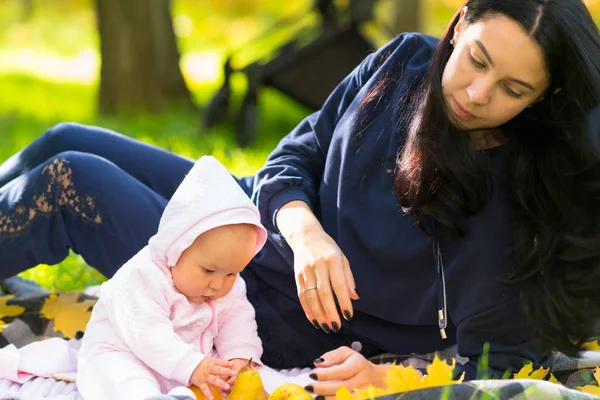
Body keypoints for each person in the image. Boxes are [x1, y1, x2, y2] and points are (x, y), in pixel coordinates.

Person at [1, 0, 600, 398]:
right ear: (461, 20)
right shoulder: (405, 61)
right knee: (66, 138)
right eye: (476, 59)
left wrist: (383, 376)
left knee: (68, 181)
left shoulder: (522, 202)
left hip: (255, 294)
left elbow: (497, 361)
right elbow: (291, 159)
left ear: (541, 100)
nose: (475, 92)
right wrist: (307, 232)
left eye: (512, 89)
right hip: (258, 222)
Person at [76, 156, 267, 400]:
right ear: (176, 247)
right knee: (121, 379)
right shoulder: (141, 276)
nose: (218, 284)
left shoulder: (228, 286)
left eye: (232, 273)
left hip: (189, 364)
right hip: (125, 351)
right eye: (208, 271)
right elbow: (146, 333)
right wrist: (192, 365)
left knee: (233, 379)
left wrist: (239, 360)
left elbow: (238, 322)